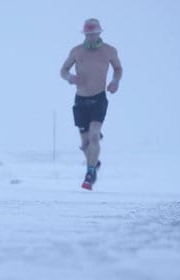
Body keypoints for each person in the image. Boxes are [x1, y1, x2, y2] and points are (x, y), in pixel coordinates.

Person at [60, 18, 123, 190]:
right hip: (81, 100)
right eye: (88, 34)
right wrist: (70, 78)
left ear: (99, 33)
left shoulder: (109, 51)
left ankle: (90, 174)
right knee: (85, 144)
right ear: (85, 34)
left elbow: (118, 68)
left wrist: (115, 82)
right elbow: (63, 70)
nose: (91, 37)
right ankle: (94, 162)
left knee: (94, 135)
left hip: (99, 98)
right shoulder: (76, 51)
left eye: (94, 34)